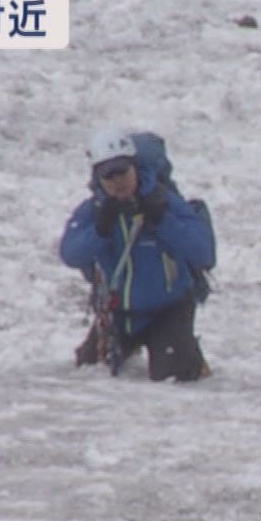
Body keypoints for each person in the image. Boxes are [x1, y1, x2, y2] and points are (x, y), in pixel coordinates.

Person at [60, 128, 216, 381]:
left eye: (122, 171)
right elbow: (70, 255)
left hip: (169, 309)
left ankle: (188, 355)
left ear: (135, 168)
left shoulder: (167, 202)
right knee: (89, 371)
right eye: (108, 175)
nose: (117, 181)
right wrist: (100, 230)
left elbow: (203, 253)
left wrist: (163, 220)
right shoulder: (94, 211)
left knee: (175, 378)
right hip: (117, 313)